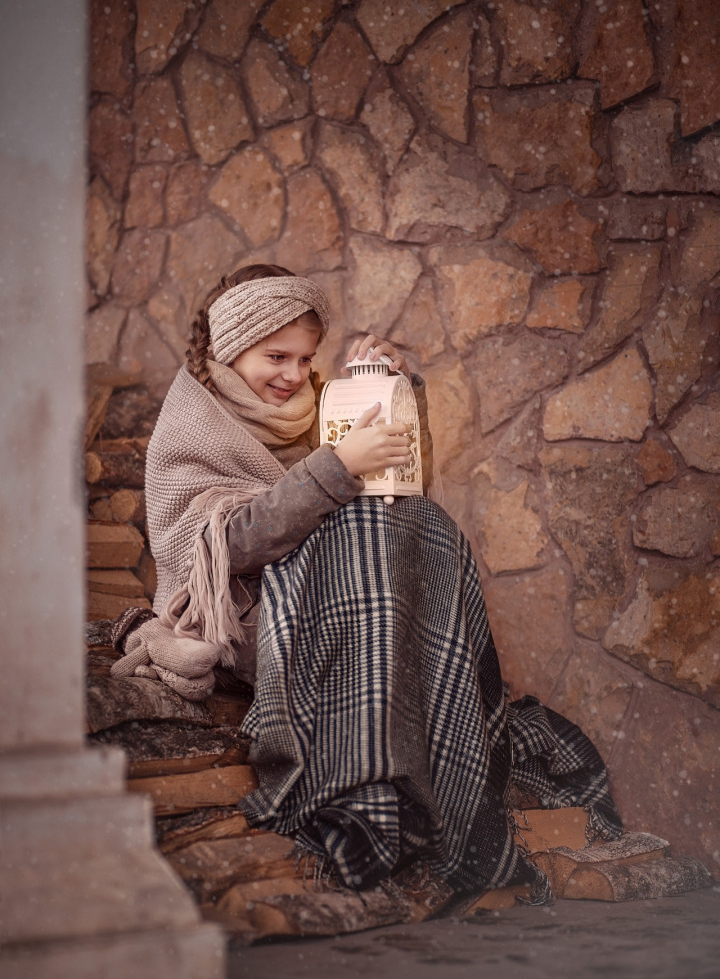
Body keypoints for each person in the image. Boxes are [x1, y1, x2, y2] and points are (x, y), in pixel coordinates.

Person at [112, 264, 622, 898]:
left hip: (347, 600)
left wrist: (393, 392)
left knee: (419, 523)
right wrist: (336, 467)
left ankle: (433, 784)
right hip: (250, 615)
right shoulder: (191, 425)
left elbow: (397, 496)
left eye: (305, 358)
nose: (293, 376)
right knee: (360, 532)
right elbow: (227, 548)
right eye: (277, 357)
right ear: (231, 346)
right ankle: (368, 796)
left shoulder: (326, 406)